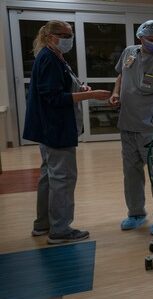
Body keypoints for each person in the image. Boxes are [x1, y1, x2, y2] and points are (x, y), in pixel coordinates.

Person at [23, 20, 112, 244]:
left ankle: (43, 224)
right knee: (62, 178)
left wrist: (79, 89)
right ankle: (60, 230)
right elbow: (52, 97)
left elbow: (59, 87)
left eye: (70, 35)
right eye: (64, 35)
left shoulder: (53, 57)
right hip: (56, 129)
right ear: (51, 37)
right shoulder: (49, 59)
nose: (68, 40)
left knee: (49, 178)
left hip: (49, 129)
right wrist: (89, 96)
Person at [109, 20, 153, 235]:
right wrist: (115, 93)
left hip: (151, 128)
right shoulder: (129, 52)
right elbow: (121, 75)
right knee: (131, 173)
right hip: (128, 125)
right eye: (151, 40)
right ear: (141, 38)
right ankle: (136, 214)